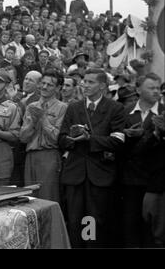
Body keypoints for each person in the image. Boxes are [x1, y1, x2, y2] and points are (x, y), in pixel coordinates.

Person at [59, 68, 126, 248]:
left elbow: (118, 140)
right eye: (84, 81)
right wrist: (72, 138)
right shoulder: (74, 107)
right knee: (74, 221)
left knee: (94, 221)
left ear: (102, 86)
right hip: (75, 174)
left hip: (100, 174)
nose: (85, 85)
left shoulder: (115, 108)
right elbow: (61, 139)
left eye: (90, 82)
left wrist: (90, 139)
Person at [118, 73, 164, 248]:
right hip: (129, 179)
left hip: (155, 181)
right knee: (130, 223)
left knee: (153, 229)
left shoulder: (163, 112)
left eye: (158, 88)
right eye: (151, 87)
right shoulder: (125, 110)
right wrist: (128, 136)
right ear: (138, 89)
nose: (156, 91)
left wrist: (158, 135)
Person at [20, 70, 68, 202]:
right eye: (43, 83)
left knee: (48, 197)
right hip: (30, 156)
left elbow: (58, 138)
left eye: (50, 85)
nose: (45, 87)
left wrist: (43, 119)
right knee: (30, 198)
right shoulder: (31, 107)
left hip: (49, 155)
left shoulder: (63, 108)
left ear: (58, 88)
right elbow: (23, 138)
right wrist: (33, 123)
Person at [141, 109, 165, 247]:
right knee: (151, 225)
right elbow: (142, 153)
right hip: (155, 186)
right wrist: (156, 134)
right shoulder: (157, 135)